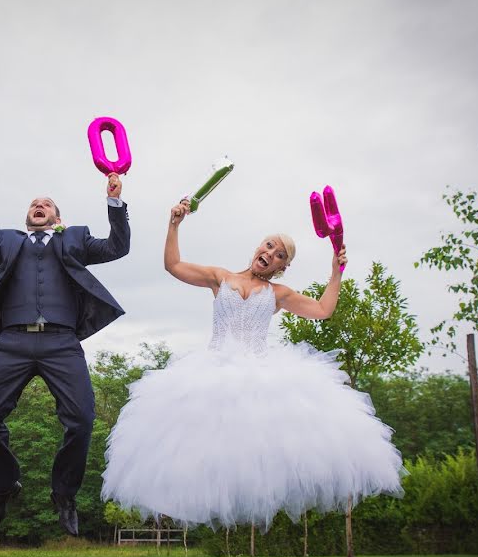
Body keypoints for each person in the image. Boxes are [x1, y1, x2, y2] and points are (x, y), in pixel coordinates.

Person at [101, 199, 404, 531]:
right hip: (212, 371)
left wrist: (336, 271)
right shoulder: (221, 278)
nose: (271, 253)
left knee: (260, 450)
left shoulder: (278, 293)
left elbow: (323, 310)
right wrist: (174, 224)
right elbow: (173, 265)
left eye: (280, 255)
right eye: (270, 245)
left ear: (281, 267)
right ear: (259, 246)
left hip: (259, 378)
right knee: (195, 445)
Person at [0, 172, 130, 536]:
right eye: (33, 204)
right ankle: (6, 485)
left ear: (57, 217)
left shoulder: (74, 237)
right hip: (12, 342)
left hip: (62, 343)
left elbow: (118, 247)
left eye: (47, 204)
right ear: (27, 215)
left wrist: (114, 202)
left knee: (82, 418)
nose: (39, 206)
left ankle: (64, 495)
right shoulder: (5, 240)